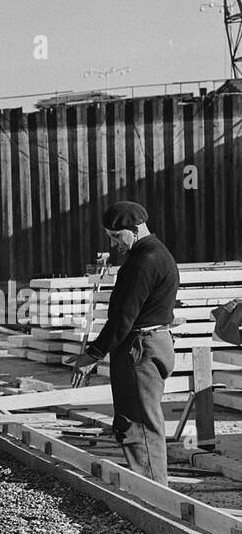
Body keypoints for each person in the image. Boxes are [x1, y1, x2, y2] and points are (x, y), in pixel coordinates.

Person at [67, 201, 179, 485]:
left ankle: (152, 495)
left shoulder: (144, 262)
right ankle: (151, 488)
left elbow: (123, 319)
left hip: (140, 348)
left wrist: (92, 354)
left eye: (117, 236)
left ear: (136, 229)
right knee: (143, 420)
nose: (114, 244)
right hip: (154, 342)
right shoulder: (158, 254)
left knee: (137, 425)